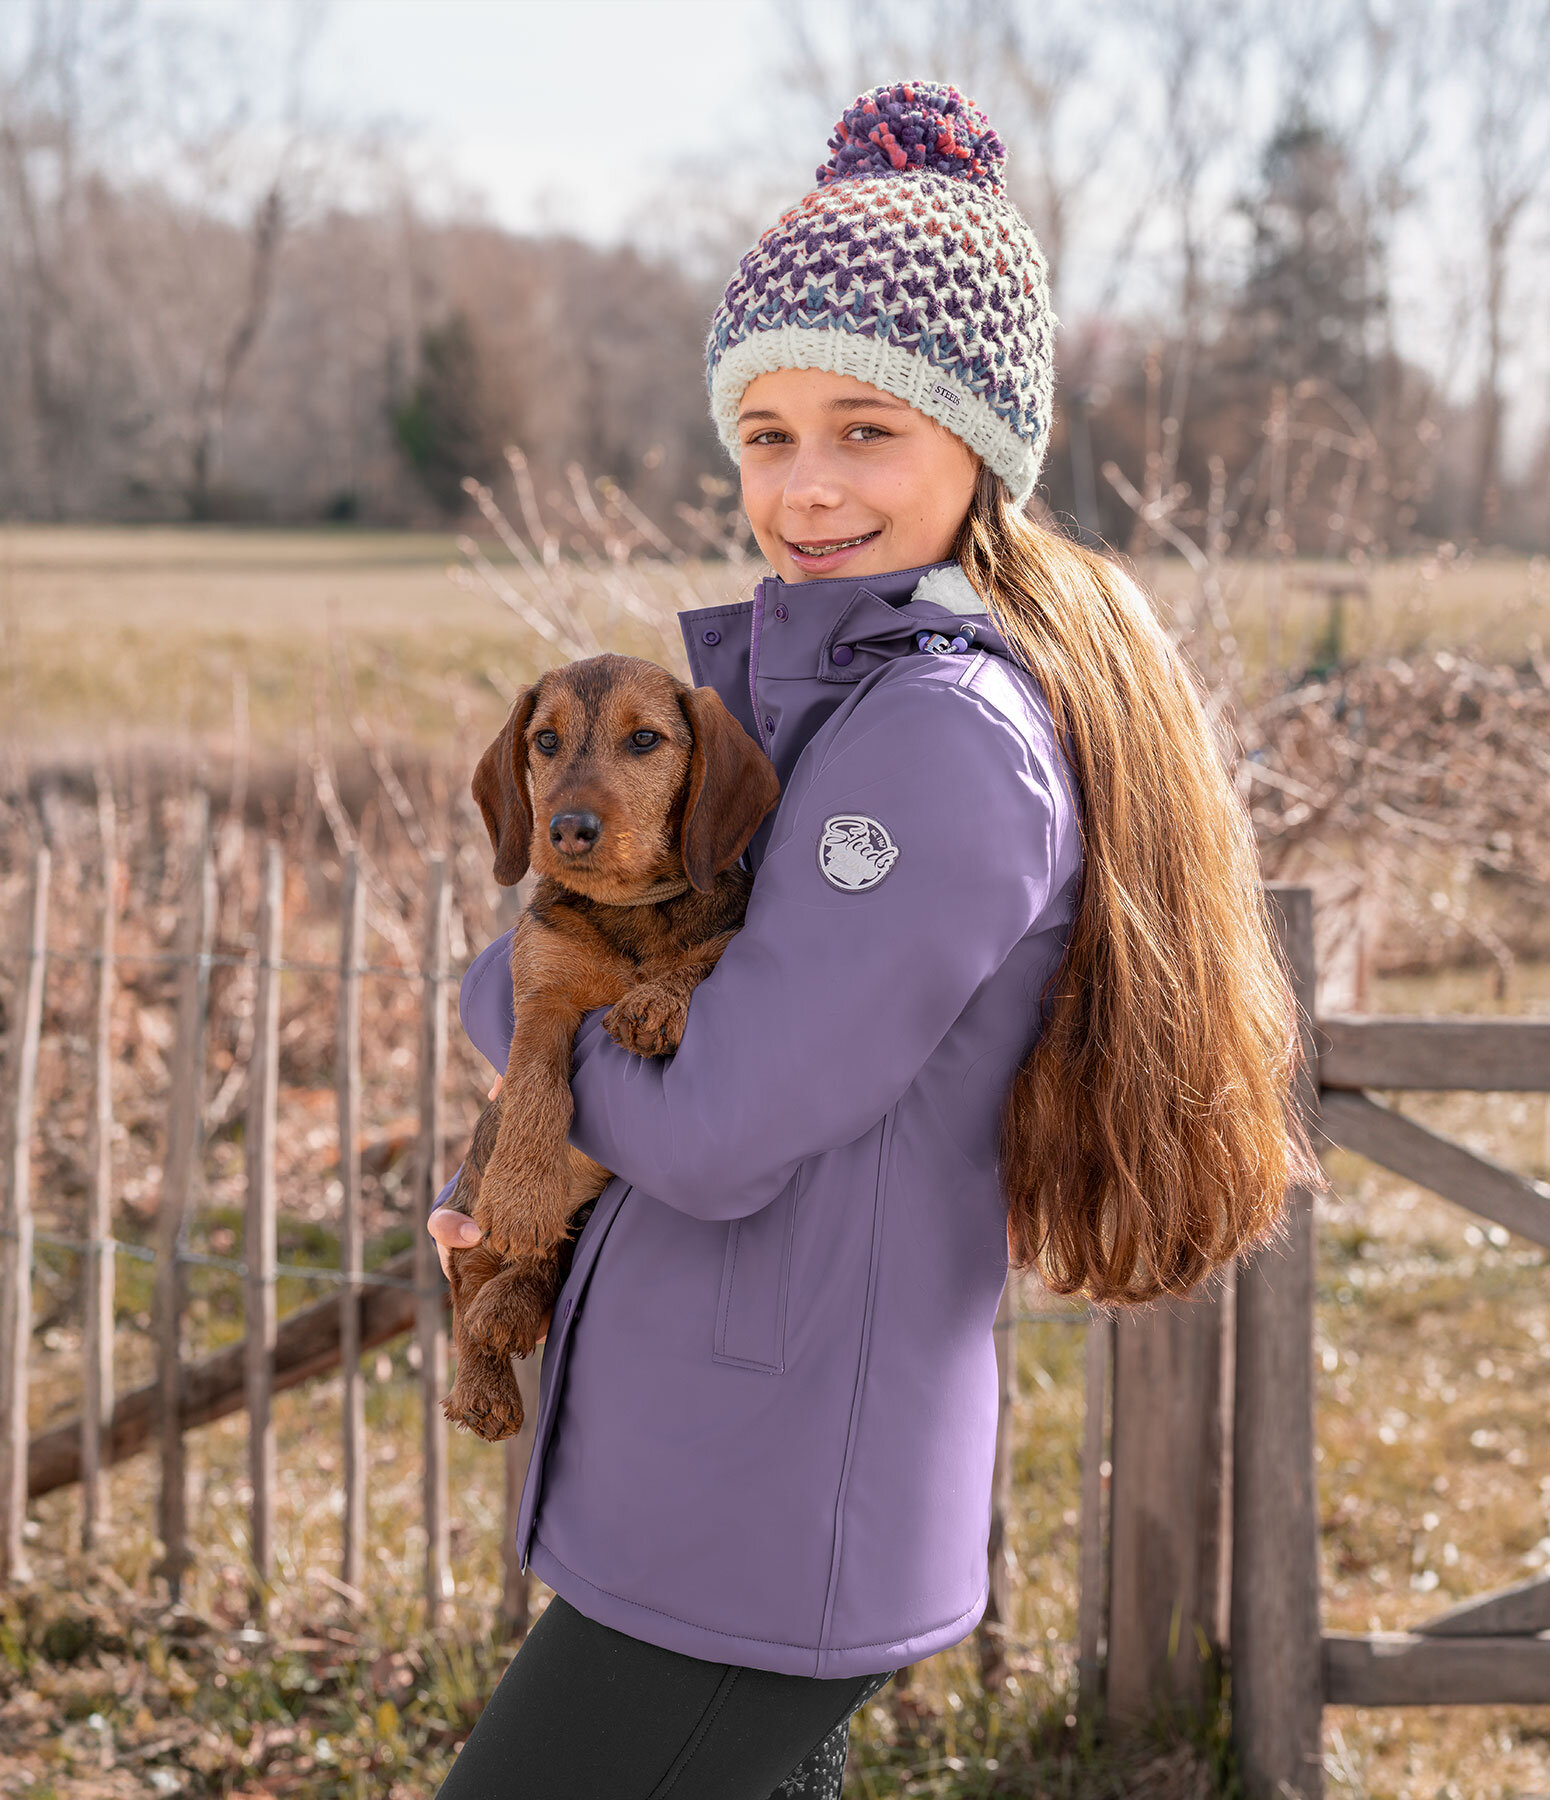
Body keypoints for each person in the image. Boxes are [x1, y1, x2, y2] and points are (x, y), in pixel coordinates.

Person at [426, 79, 1319, 1800]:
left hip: (757, 1505)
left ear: (979, 445)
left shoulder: (928, 742)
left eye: (864, 429)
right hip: (719, 1470)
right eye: (764, 434)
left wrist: (516, 1023)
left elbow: (718, 1125)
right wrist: (546, 1118)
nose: (805, 486)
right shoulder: (820, 708)